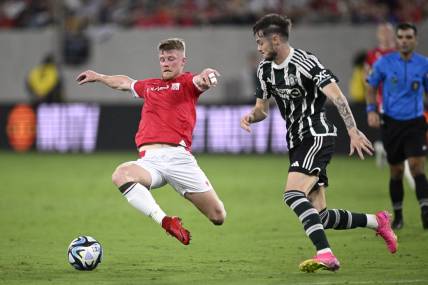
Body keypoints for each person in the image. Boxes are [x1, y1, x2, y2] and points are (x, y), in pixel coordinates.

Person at [240, 14, 397, 273]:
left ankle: (325, 253)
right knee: (319, 215)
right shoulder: (264, 69)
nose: (258, 47)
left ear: (276, 39)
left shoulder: (305, 61)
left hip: (316, 134)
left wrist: (353, 130)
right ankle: (377, 221)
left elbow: (336, 96)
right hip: (296, 141)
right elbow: (262, 110)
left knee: (292, 194)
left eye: (261, 42)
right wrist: (250, 117)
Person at [76, 38, 226, 245]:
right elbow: (124, 83)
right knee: (121, 174)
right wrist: (99, 77)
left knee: (218, 216)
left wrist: (207, 74)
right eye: (162, 59)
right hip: (150, 162)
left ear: (183, 61)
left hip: (178, 159)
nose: (165, 63)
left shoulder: (187, 83)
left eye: (171, 58)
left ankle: (198, 210)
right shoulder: (150, 86)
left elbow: (200, 81)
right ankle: (166, 222)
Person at [366, 23, 428, 230]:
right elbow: (371, 85)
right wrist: (371, 110)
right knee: (396, 171)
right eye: (400, 37)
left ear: (415, 39)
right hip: (391, 123)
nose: (403, 40)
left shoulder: (424, 64)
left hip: (415, 122)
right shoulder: (384, 62)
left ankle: (425, 210)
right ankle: (399, 216)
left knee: (417, 166)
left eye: (408, 37)